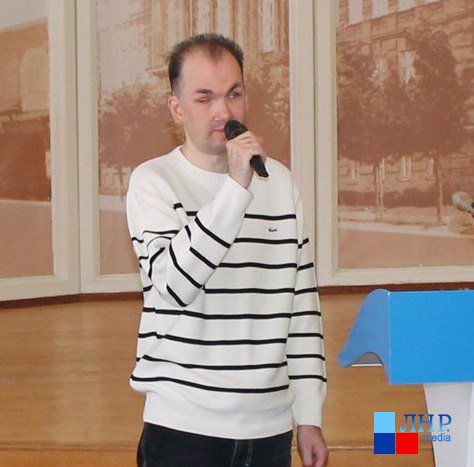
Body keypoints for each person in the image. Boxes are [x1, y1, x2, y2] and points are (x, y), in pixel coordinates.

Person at [126, 33, 328, 467]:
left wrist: (309, 415)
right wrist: (236, 188)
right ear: (176, 108)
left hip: (269, 428)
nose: (224, 111)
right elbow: (174, 286)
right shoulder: (153, 182)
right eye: (205, 98)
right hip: (183, 426)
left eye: (234, 94)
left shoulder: (280, 182)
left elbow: (301, 305)